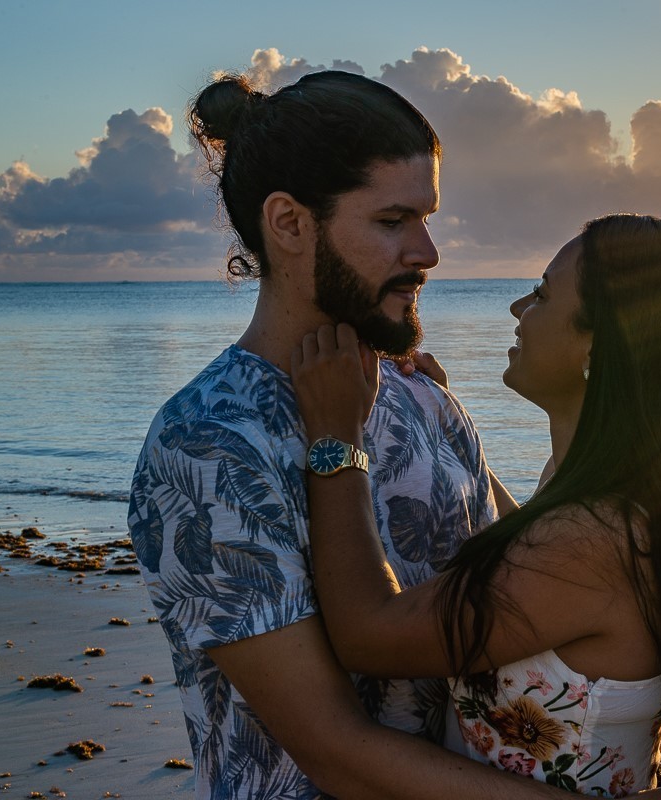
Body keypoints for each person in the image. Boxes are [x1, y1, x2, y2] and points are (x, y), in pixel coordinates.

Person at [127, 70, 585, 800]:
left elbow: (530, 599)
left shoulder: (423, 396)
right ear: (290, 224)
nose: (428, 252)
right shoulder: (206, 443)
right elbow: (334, 753)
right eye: (392, 220)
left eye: (426, 218)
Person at [291, 214, 661, 799]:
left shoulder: (591, 541)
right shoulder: (612, 502)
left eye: (542, 294)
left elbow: (368, 634)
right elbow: (519, 544)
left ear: (597, 344)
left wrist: (337, 437)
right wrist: (441, 422)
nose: (518, 308)